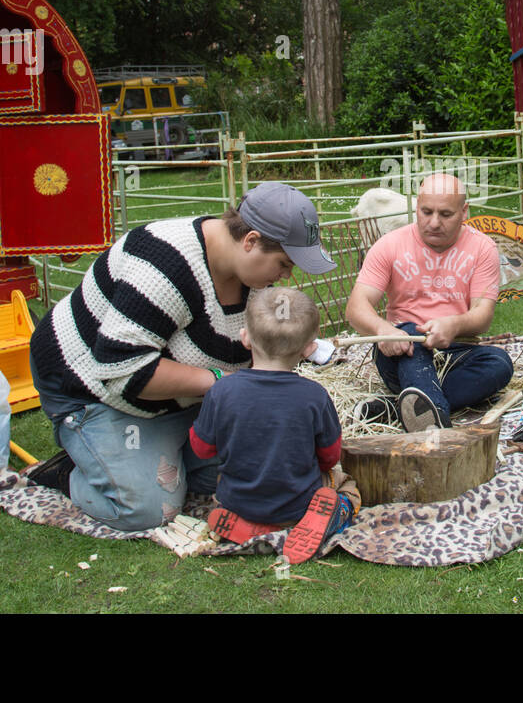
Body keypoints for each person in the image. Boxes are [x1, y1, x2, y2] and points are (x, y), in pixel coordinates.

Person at [25, 182, 336, 531]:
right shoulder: (163, 263)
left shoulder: (249, 275)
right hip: (90, 387)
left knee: (262, 470)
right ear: (250, 241)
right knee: (149, 509)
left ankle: (160, 457)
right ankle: (78, 471)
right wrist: (220, 383)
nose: (286, 276)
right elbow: (121, 370)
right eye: (284, 263)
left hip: (179, 398)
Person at [189, 287, 359, 565]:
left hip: (236, 502)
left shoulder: (221, 391)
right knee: (346, 487)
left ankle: (248, 525)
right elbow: (330, 457)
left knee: (225, 482)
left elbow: (202, 449)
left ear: (245, 337)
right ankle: (325, 520)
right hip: (297, 505)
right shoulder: (314, 396)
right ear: (309, 349)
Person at [345, 173, 514, 431]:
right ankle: (437, 419)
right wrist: (383, 330)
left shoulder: (483, 248)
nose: (434, 223)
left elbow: (483, 315)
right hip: (401, 349)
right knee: (411, 329)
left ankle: (401, 408)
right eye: (426, 212)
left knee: (499, 364)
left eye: (445, 214)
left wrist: (454, 326)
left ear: (464, 211)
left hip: (455, 349)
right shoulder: (388, 245)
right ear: (416, 208)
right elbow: (356, 308)